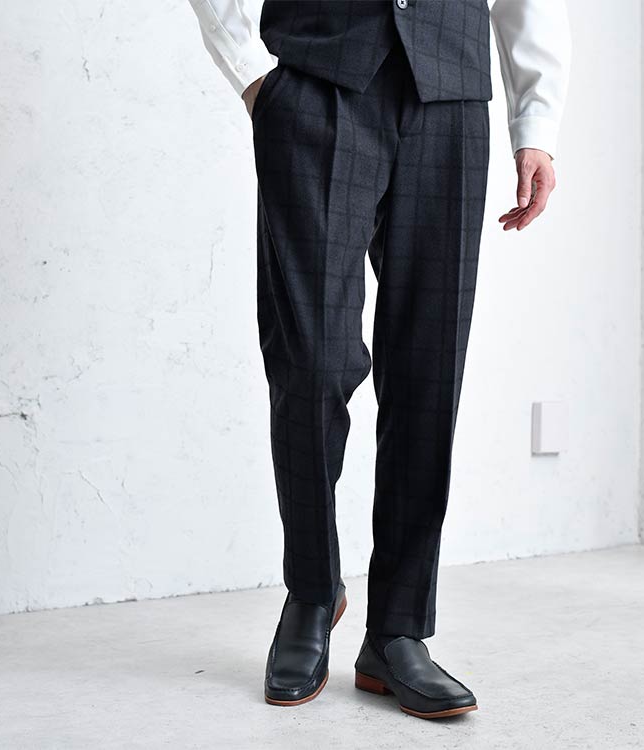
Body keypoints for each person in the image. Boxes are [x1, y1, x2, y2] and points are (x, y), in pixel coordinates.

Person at [188, 0, 571, 720]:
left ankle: (398, 633)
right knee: (311, 361)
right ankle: (311, 591)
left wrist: (537, 124)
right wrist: (251, 75)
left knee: (428, 371)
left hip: (450, 103)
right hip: (316, 88)